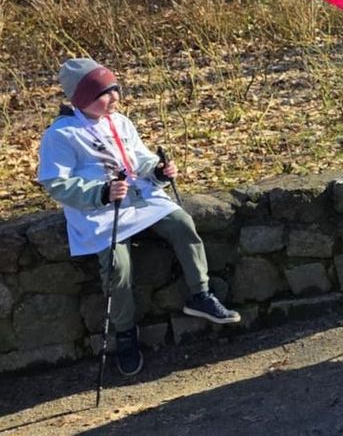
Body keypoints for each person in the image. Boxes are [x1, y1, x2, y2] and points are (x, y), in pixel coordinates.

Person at [37, 58, 241, 377]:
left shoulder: (120, 121)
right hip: (101, 211)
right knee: (118, 266)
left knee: (182, 223)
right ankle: (125, 332)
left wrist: (158, 170)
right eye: (105, 93)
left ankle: (200, 294)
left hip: (140, 198)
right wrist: (101, 192)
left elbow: (140, 158)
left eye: (115, 89)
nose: (115, 98)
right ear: (81, 98)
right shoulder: (61, 134)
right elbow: (56, 182)